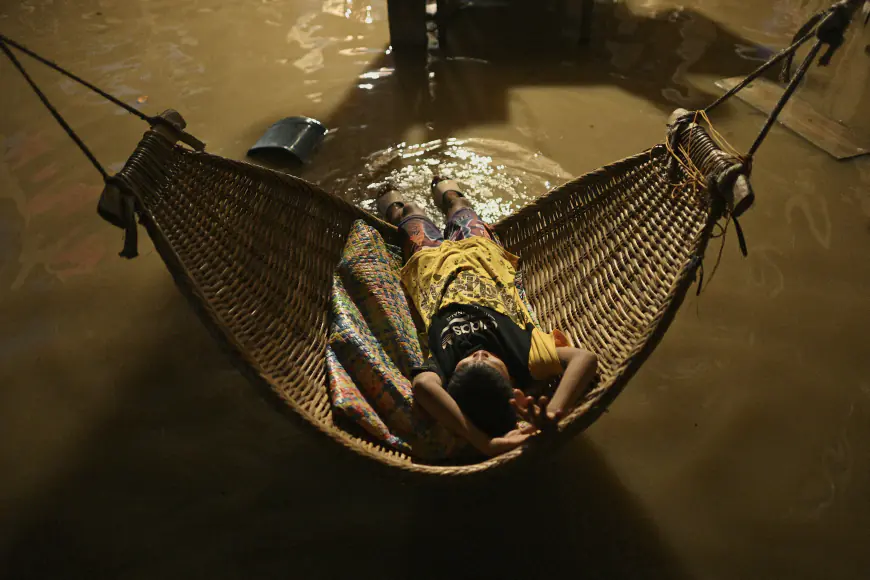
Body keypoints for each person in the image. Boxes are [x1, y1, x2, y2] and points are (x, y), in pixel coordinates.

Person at [377, 177, 598, 457]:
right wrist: (554, 412)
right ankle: (447, 190)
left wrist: (481, 440)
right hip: (481, 253)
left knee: (409, 213)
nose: (478, 354)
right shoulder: (525, 357)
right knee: (460, 207)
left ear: (452, 377)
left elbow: (422, 386)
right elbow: (584, 358)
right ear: (514, 382)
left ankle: (394, 207)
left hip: (429, 263)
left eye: (467, 362)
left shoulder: (443, 366)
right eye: (490, 363)